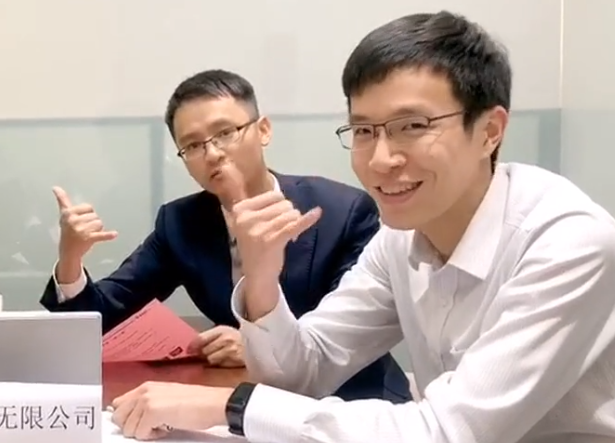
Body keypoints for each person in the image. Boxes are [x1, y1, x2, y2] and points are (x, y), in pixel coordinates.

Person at [109, 10, 615, 443]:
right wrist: (261, 281)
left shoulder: (567, 242)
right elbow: (307, 368)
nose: (380, 159)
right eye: (364, 130)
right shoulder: (400, 238)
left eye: (412, 126)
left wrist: (230, 405)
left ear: (489, 131)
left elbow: (448, 432)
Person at [43, 69, 409, 402]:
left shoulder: (342, 211)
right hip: (241, 400)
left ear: (263, 130)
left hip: (355, 404)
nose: (213, 153)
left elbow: (346, 331)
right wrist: (71, 259)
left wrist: (257, 346)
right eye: (193, 145)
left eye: (225, 133)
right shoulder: (181, 223)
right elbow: (101, 320)